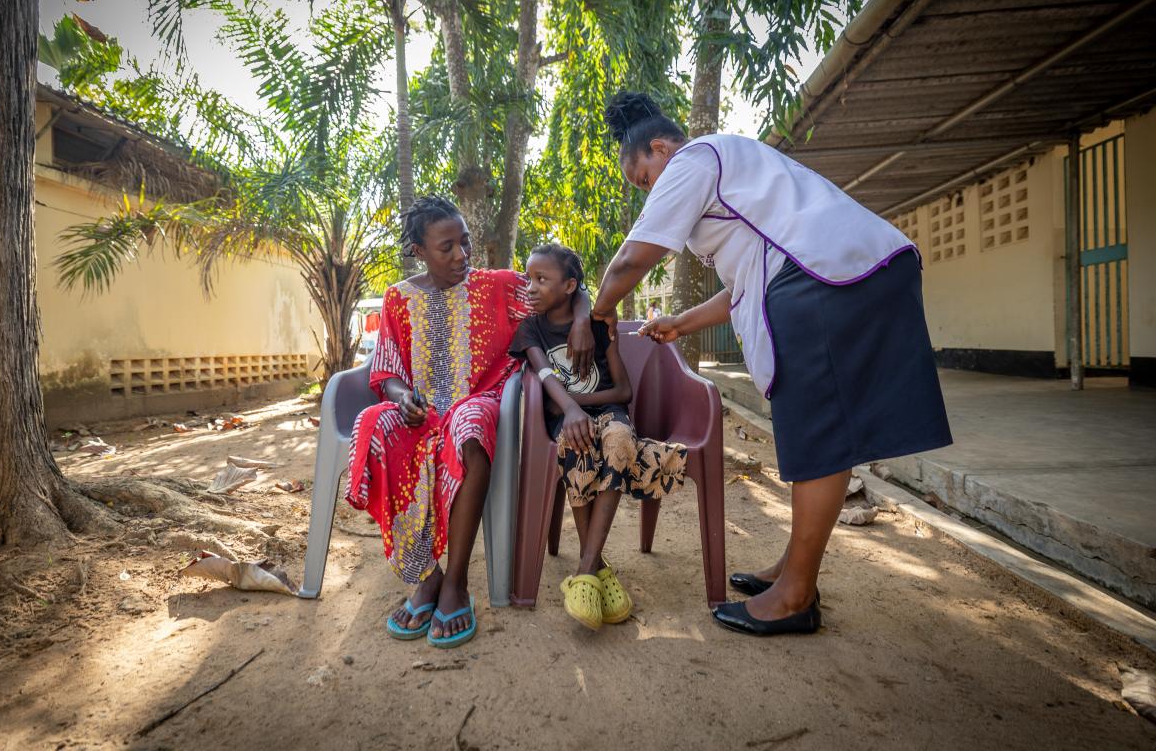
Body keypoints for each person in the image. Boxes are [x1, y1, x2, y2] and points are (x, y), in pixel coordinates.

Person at [590, 92, 952, 637]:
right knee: (829, 432)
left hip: (827, 276)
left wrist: (595, 315)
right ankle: (793, 569)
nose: (648, 191)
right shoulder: (734, 177)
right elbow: (740, 288)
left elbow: (632, 257)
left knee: (820, 434)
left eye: (643, 178)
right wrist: (680, 324)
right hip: (846, 271)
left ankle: (795, 596)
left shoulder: (694, 160)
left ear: (660, 149)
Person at [347, 197, 595, 648]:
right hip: (422, 414)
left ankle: (456, 581)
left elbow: (571, 288)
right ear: (419, 251)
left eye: (466, 242)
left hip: (477, 401)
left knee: (470, 427)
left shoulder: (496, 286)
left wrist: (581, 321)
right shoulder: (398, 299)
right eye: (448, 247)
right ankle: (428, 574)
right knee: (374, 424)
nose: (462, 254)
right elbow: (386, 372)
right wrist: (405, 401)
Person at [510, 244, 685, 630]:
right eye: (528, 279)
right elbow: (542, 375)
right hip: (566, 422)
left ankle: (586, 568)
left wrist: (576, 401)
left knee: (621, 441)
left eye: (542, 279)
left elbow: (624, 392)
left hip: (609, 412)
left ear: (571, 285)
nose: (531, 287)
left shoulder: (597, 324)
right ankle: (600, 569)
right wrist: (571, 411)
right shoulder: (530, 328)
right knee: (578, 447)